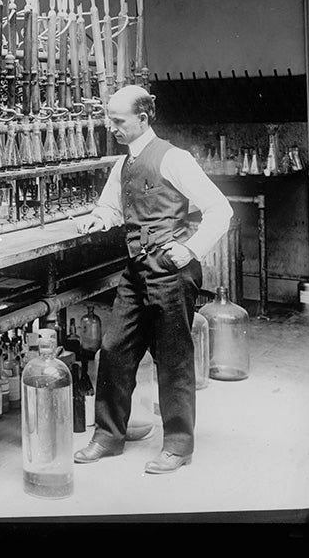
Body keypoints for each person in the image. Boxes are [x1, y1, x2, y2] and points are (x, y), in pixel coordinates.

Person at [72, 85, 232, 474]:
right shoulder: (123, 164)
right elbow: (111, 205)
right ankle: (108, 436)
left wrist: (190, 249)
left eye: (118, 121)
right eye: (109, 120)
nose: (111, 127)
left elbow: (220, 209)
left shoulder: (174, 158)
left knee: (173, 358)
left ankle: (178, 445)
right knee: (114, 349)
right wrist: (99, 217)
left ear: (143, 119)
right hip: (136, 268)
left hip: (170, 268)